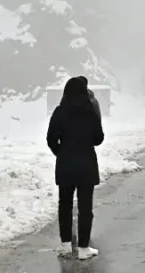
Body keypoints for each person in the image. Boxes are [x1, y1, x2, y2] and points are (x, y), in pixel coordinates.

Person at [47, 76, 105, 260]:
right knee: (85, 207)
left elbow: (50, 138)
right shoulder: (90, 111)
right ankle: (83, 248)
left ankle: (65, 245)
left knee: (64, 205)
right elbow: (98, 139)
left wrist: (61, 152)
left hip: (65, 165)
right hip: (86, 164)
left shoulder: (60, 111)